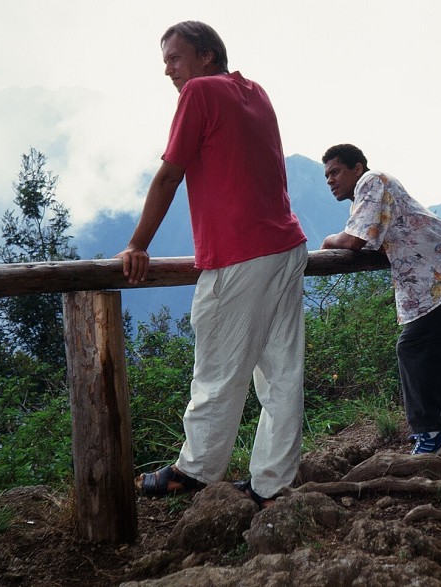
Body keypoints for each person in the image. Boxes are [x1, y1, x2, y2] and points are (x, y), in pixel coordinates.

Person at [116, 21, 308, 507]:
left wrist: (137, 244)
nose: (167, 71)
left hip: (240, 252)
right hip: (285, 244)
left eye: (173, 58)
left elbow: (169, 175)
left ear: (205, 56)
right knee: (281, 371)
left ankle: (195, 470)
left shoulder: (200, 92)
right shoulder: (254, 90)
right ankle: (273, 483)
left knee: (218, 368)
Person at [320, 144, 441, 454]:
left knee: (412, 347)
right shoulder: (370, 194)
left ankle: (429, 432)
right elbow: (373, 240)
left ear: (357, 167)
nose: (330, 180)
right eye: (326, 175)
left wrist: (328, 241)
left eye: (336, 171)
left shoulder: (372, 181)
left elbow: (354, 240)